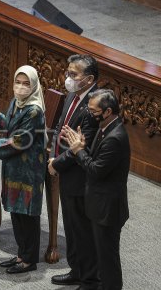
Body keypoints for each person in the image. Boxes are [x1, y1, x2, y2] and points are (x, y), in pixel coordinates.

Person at [0, 65, 46, 274]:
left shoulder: (34, 110)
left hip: (28, 170)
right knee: (16, 213)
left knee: (27, 215)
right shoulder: (16, 103)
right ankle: (21, 254)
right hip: (13, 167)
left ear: (34, 86)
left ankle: (29, 260)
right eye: (18, 82)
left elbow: (21, 140)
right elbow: (9, 126)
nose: (21, 87)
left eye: (26, 84)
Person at [62, 89, 130, 290]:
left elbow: (95, 170)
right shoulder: (105, 128)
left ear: (107, 111)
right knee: (101, 256)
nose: (89, 114)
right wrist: (82, 146)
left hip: (107, 210)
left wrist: (78, 150)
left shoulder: (114, 137)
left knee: (108, 261)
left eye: (93, 111)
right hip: (99, 205)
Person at [48, 55, 100, 288]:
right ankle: (76, 270)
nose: (68, 78)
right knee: (70, 226)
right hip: (66, 171)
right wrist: (53, 154)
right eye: (68, 72)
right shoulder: (72, 94)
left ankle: (89, 279)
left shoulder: (94, 105)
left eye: (73, 75)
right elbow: (60, 127)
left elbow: (82, 144)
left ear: (89, 79)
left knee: (83, 231)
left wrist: (56, 163)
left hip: (81, 176)